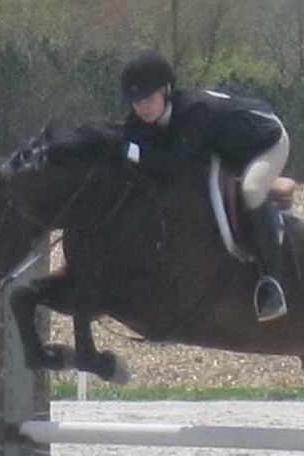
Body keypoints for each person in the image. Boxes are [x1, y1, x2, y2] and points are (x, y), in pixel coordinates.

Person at [120, 50, 291, 322]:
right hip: (224, 149)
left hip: (264, 142)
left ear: (166, 91)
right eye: (136, 102)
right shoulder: (140, 119)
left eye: (148, 99)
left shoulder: (194, 111)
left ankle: (272, 281)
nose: (143, 108)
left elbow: (175, 165)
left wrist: (128, 151)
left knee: (252, 190)